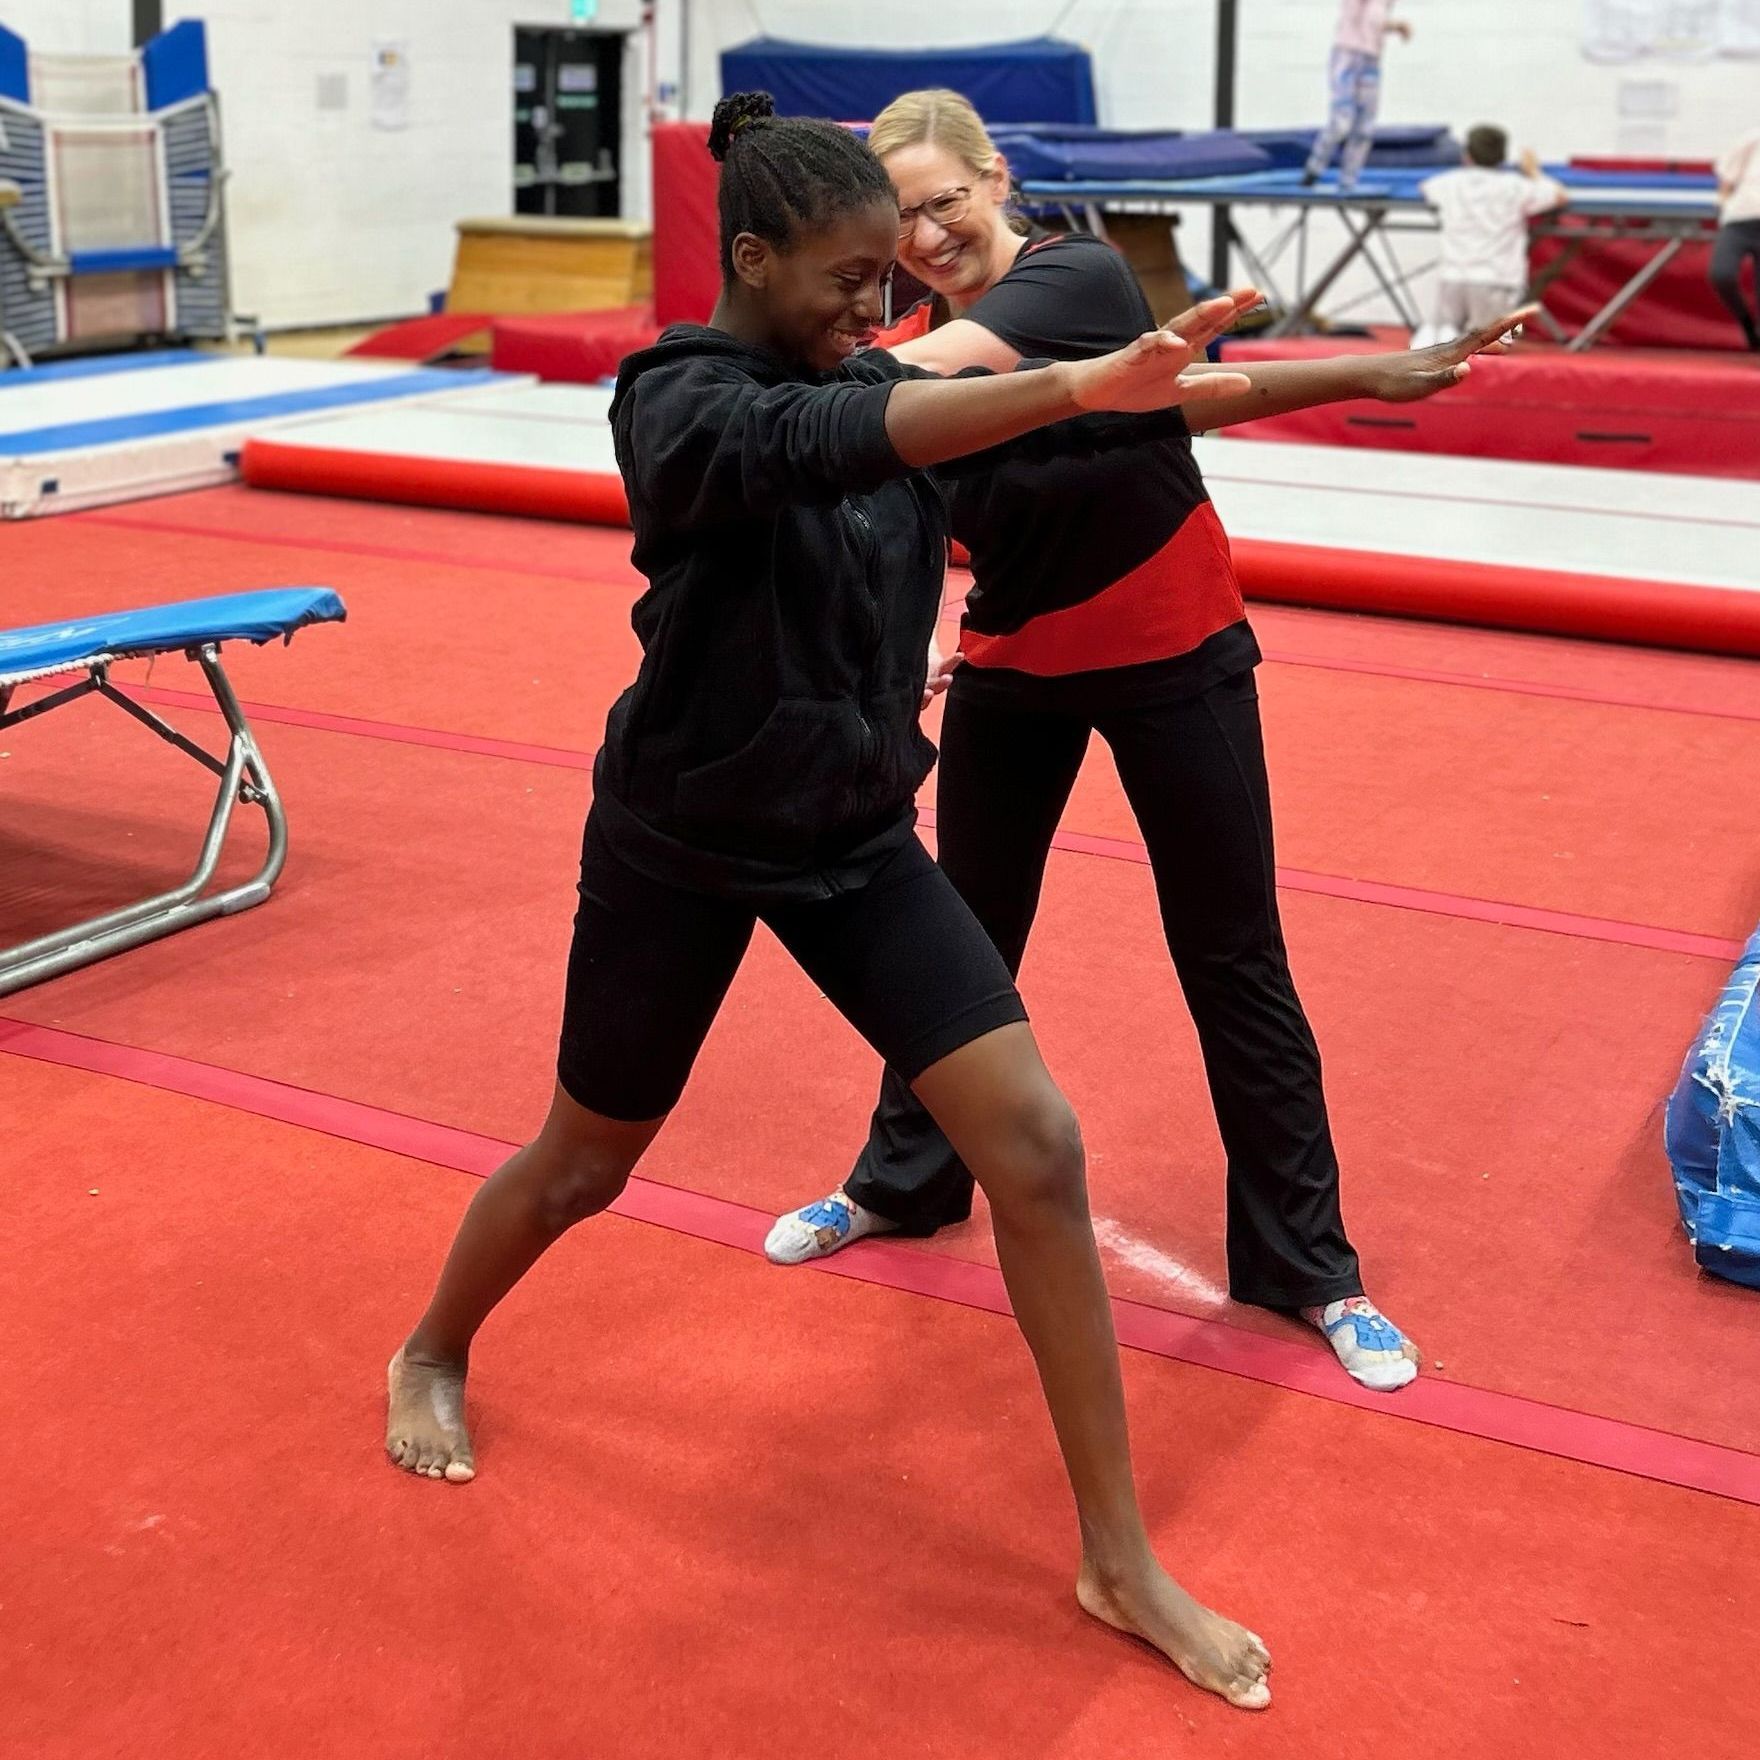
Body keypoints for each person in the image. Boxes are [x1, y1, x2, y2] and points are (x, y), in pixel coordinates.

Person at [385, 91, 1278, 1712]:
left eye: (896, 288)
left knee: (1040, 1143)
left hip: (854, 836)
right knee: (587, 1160)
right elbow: (825, 441)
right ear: (752, 254)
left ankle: (1116, 1558)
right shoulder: (681, 398)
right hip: (684, 835)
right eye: (849, 280)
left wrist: (1350, 376)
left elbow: (1014, 429)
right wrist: (1068, 373)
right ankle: (437, 1339)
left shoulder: (870, 382)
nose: (879, 313)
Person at [766, 87, 1528, 1395]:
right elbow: (1160, 409)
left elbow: (917, 393)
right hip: (1018, 662)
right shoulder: (922, 337)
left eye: (946, 201)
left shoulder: (1073, 279)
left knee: (1232, 952)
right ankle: (905, 1179)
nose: (931, 235)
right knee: (955, 947)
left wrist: (769, 374)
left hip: (1176, 650)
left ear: (997, 179)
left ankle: (1310, 1266)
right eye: (900, 221)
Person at [1413, 127, 1566, 348]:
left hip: (1452, 277)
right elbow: (1559, 195)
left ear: (1467, 155)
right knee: (1495, 342)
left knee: (1436, 339)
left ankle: (1448, 341)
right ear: (1503, 156)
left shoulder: (1448, 182)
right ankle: (1472, 343)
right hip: (1496, 279)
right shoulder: (1515, 186)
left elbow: (1424, 188)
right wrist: (1533, 171)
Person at [1304, 0, 1413, 190]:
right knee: (1341, 122)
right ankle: (1314, 169)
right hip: (1347, 55)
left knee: (1364, 127)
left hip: (1371, 59)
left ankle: (1349, 180)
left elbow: (1374, 21)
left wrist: (1395, 26)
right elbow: (1358, 16)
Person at [1711, 123, 1760, 352]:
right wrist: (1721, 204)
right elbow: (1728, 175)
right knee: (1722, 274)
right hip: (1740, 219)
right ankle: (1746, 322)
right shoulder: (1753, 137)